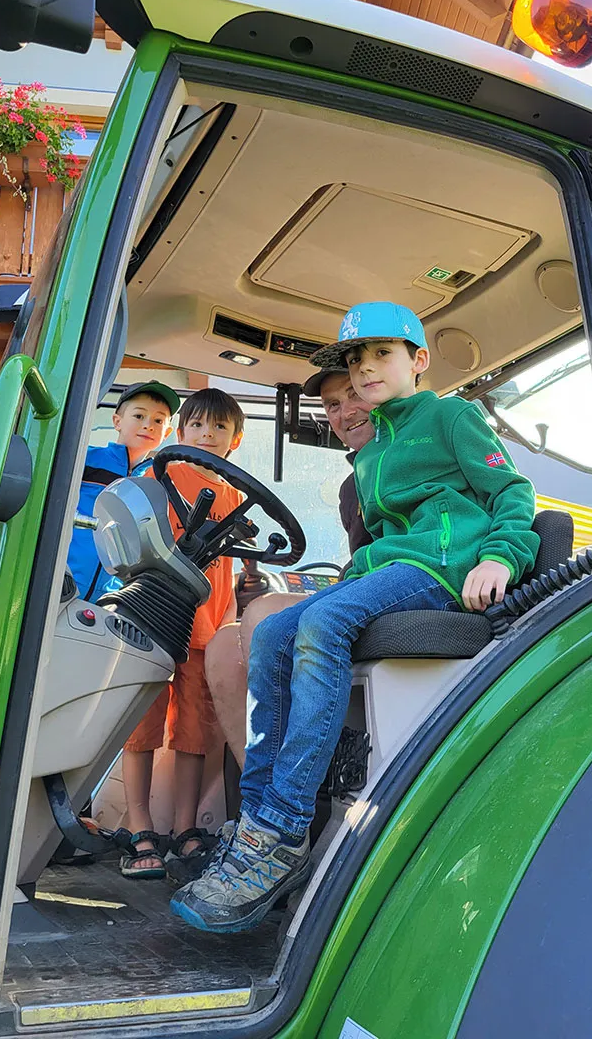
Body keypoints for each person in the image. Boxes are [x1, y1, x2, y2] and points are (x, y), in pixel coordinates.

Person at [171, 302, 539, 933]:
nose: (366, 369)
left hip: (442, 569)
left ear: (418, 361)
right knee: (273, 633)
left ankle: (284, 829)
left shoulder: (450, 416)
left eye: (382, 355)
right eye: (356, 360)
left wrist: (499, 558)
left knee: (320, 626)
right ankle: (257, 824)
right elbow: (380, 540)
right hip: (387, 570)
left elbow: (512, 492)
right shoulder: (369, 455)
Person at [204, 366, 374, 769]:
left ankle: (287, 794)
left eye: (355, 395)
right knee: (225, 645)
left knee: (263, 615)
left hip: (401, 588)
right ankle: (258, 791)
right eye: (333, 404)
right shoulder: (352, 485)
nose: (345, 411)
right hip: (358, 586)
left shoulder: (416, 455)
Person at [118, 388, 245, 880]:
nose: (206, 435)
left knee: (195, 731)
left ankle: (186, 827)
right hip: (155, 620)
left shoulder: (235, 495)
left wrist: (228, 624)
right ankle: (138, 824)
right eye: (196, 425)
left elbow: (230, 567)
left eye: (218, 428)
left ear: (236, 439)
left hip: (206, 629)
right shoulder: (161, 474)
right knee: (142, 723)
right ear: (180, 432)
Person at [67, 380, 179, 601]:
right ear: (117, 422)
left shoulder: (155, 482)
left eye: (158, 420)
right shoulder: (85, 459)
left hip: (109, 596)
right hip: (63, 580)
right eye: (139, 416)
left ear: (166, 433)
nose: (148, 425)